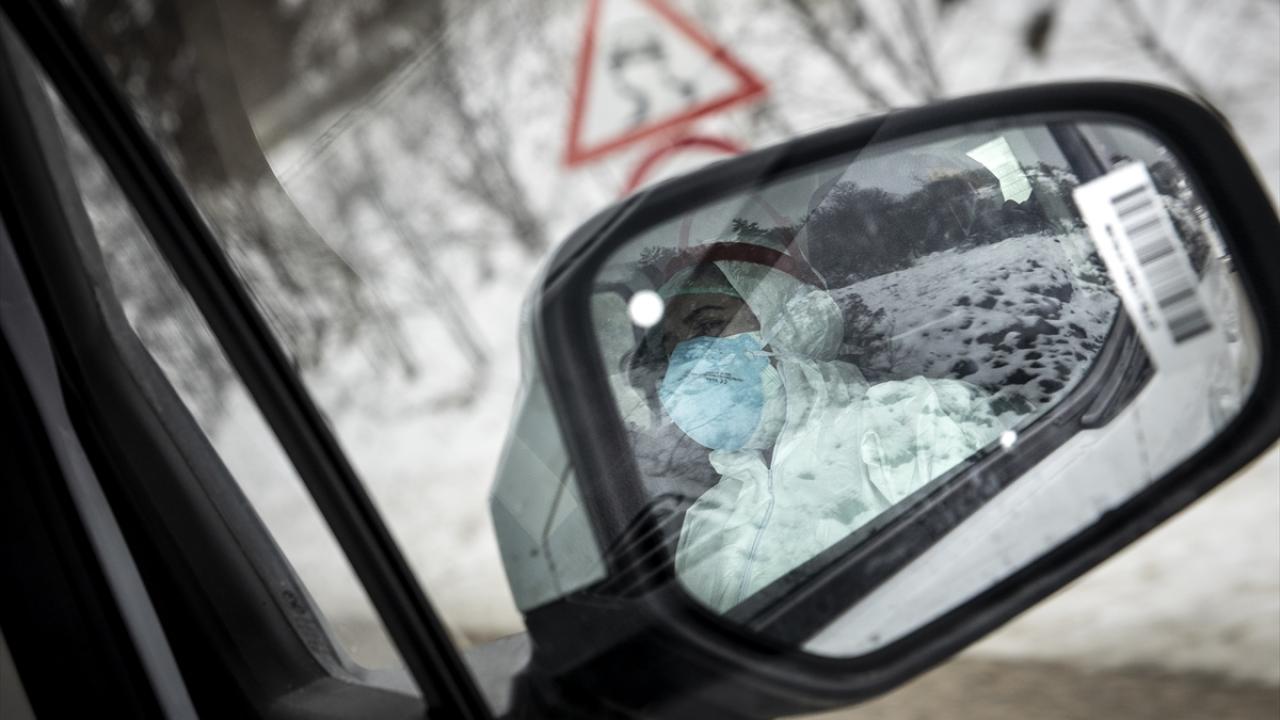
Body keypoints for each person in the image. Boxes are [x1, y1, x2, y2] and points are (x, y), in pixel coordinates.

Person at [630, 239, 1004, 613]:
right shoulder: (709, 517)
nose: (686, 360)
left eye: (708, 325)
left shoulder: (917, 419)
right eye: (672, 347)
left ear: (786, 323)